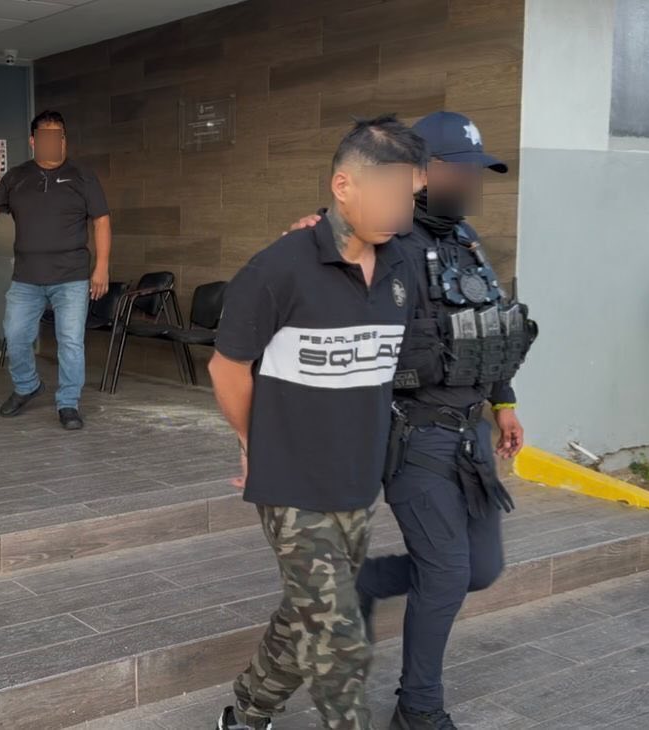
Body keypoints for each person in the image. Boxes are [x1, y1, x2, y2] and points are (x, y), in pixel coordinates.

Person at [288, 111, 537, 730]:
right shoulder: (381, 235)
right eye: (460, 170)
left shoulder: (466, 240)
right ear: (420, 172)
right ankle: (418, 709)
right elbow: (324, 255)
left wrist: (503, 402)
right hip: (412, 434)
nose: (471, 182)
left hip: (470, 433)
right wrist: (315, 231)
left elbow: (486, 329)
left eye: (477, 172)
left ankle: (368, 582)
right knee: (448, 571)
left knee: (481, 570)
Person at [211, 115, 427, 730]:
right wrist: (253, 441)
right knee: (338, 634)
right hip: (291, 480)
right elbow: (228, 368)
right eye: (391, 193)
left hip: (358, 478)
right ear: (344, 186)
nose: (403, 210)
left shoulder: (403, 264)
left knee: (308, 613)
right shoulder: (279, 268)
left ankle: (248, 710)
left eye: (411, 196)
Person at [0, 110, 111, 431]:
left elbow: (101, 221)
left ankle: (68, 403)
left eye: (59, 136)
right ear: (34, 141)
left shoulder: (83, 177)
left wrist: (101, 267)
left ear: (64, 140)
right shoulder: (17, 177)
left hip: (71, 276)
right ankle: (27, 385)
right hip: (27, 278)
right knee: (15, 334)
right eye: (47, 137)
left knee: (70, 341)